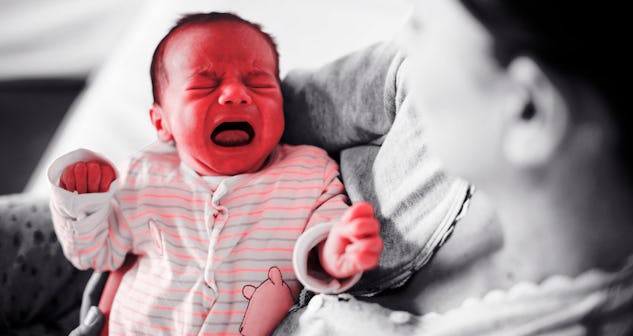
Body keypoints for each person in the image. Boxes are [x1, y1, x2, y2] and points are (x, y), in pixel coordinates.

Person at [273, 0, 633, 334]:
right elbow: (272, 106)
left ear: (528, 111)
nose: (403, 39)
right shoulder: (429, 113)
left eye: (421, 26)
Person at [47, 12, 382, 336]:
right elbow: (95, 253)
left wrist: (333, 251)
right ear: (162, 123)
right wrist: (83, 199)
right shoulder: (146, 173)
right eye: (204, 85)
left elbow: (324, 229)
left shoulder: (309, 170)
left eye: (258, 83)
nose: (236, 94)